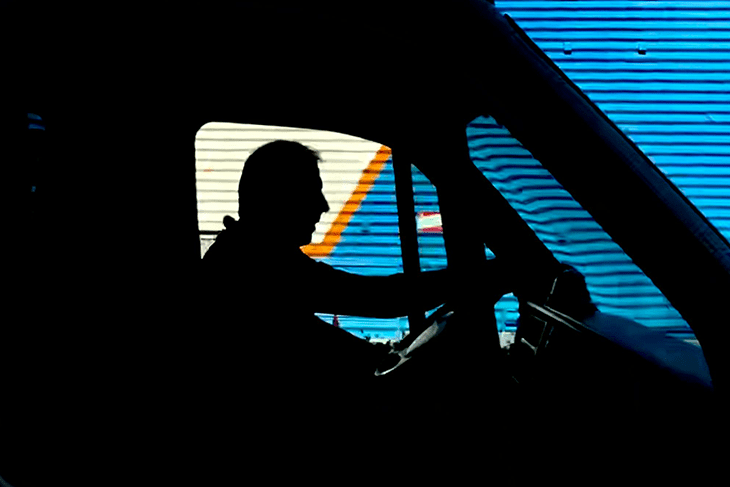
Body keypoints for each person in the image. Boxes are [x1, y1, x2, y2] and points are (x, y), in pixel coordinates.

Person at [199, 140, 507, 385]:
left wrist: (377, 355)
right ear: (279, 198)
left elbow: (312, 336)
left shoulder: (249, 254)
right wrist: (486, 276)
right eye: (311, 191)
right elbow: (376, 298)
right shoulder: (255, 263)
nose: (323, 205)